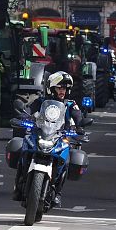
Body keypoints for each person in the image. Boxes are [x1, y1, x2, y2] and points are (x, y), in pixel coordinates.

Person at [14, 71, 85, 205]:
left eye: (65, 88)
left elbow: (78, 117)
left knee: (66, 161)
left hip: (59, 136)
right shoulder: (40, 101)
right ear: (51, 88)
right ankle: (19, 183)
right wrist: (25, 117)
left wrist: (79, 127)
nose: (62, 90)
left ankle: (57, 192)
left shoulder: (70, 104)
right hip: (40, 133)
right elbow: (30, 112)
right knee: (23, 148)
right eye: (59, 87)